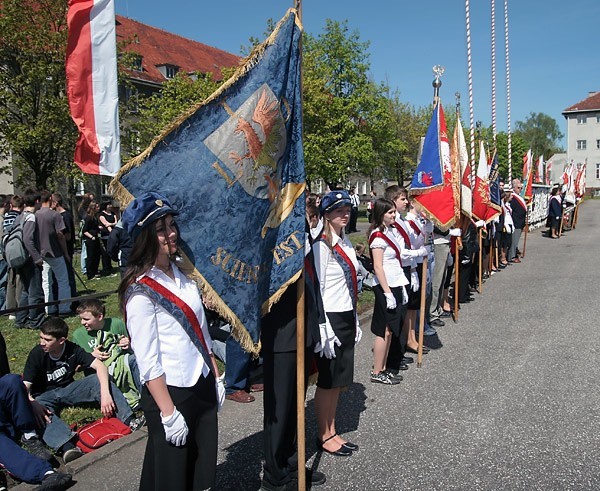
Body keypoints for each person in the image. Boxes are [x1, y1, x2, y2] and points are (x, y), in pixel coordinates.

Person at [118, 192, 224, 491]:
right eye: (161, 229)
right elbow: (148, 361)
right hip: (171, 393)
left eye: (171, 224)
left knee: (201, 469)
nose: (171, 233)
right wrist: (167, 412)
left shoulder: (183, 274)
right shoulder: (140, 292)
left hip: (200, 382)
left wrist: (215, 375)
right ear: (145, 237)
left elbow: (201, 331)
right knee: (171, 476)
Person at [22, 318, 141, 464]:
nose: (42, 342)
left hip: (68, 389)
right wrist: (32, 402)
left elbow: (100, 367)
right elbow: (25, 386)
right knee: (40, 412)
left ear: (61, 341)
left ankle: (129, 420)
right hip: (43, 396)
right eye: (41, 338)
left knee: (97, 380)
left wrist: (105, 394)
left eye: (47, 339)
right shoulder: (37, 354)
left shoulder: (72, 349)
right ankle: (67, 447)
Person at [312, 190, 361, 457]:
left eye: (347, 210)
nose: (345, 214)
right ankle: (323, 433)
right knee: (328, 380)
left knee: (340, 380)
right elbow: (316, 289)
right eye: (338, 210)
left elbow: (350, 284)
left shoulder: (345, 242)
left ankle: (332, 429)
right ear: (326, 215)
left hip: (345, 315)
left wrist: (354, 318)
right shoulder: (321, 246)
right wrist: (323, 326)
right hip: (329, 318)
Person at [367, 198, 409, 385]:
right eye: (390, 212)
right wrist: (387, 292)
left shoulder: (389, 232)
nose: (394, 215)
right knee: (384, 329)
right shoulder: (377, 236)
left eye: (394, 212)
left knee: (390, 330)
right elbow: (378, 266)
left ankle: (383, 368)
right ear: (380, 215)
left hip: (395, 283)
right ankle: (377, 370)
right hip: (386, 286)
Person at [73, 299, 141, 408]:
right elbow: (76, 368)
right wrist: (91, 356)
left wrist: (129, 345)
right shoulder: (78, 335)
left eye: (86, 319)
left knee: (135, 360)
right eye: (81, 319)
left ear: (100, 316)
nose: (82, 323)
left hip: (122, 365)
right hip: (99, 373)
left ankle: (146, 397)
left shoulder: (116, 324)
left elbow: (136, 346)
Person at [35, 190, 71, 316]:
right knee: (63, 280)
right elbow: (60, 235)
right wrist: (66, 252)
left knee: (46, 282)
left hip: (42, 253)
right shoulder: (55, 215)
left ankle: (48, 308)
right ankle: (64, 307)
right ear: (50, 198)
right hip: (55, 252)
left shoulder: (35, 214)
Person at [15, 190, 45, 330]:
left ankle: (20, 319)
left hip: (19, 257)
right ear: (37, 201)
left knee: (25, 290)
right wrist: (37, 258)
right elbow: (28, 240)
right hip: (29, 259)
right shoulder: (31, 217)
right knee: (35, 291)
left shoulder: (20, 216)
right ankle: (35, 320)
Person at [51, 192, 77, 297]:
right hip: (60, 251)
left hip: (66, 249)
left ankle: (72, 297)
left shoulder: (65, 216)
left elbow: (68, 236)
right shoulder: (56, 215)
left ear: (56, 203)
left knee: (68, 275)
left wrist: (58, 236)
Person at [81, 200, 102, 280]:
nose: (98, 208)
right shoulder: (88, 218)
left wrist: (98, 228)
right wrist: (91, 237)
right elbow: (84, 231)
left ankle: (95, 271)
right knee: (91, 256)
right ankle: (90, 274)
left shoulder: (95, 217)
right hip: (90, 240)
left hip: (95, 238)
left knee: (96, 256)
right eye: (97, 207)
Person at [509, 179, 527, 262]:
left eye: (521, 188)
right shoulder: (513, 198)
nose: (520, 189)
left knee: (516, 240)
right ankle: (512, 256)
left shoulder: (518, 197)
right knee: (514, 241)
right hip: (515, 222)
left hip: (520, 222)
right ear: (514, 187)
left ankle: (514, 253)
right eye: (518, 187)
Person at [98, 201, 117, 275]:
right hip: (105, 235)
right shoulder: (101, 214)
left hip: (113, 233)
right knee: (105, 252)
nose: (110, 206)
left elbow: (116, 222)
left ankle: (110, 266)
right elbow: (105, 224)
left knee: (111, 250)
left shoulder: (113, 213)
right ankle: (106, 268)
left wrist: (111, 224)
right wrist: (110, 227)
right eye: (108, 205)